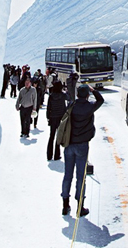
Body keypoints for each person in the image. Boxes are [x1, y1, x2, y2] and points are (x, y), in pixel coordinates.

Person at [60, 84, 104, 217]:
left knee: (68, 175)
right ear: (87, 95)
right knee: (81, 176)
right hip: (83, 145)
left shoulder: (72, 106)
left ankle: (65, 205)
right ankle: (80, 206)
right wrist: (94, 90)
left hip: (69, 143)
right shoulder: (90, 107)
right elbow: (101, 100)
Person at [46, 80, 67, 161]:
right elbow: (70, 98)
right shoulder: (63, 95)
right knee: (59, 136)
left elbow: (48, 108)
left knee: (51, 136)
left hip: (52, 117)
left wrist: (48, 117)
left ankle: (49, 155)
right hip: (61, 117)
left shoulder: (51, 96)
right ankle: (56, 155)